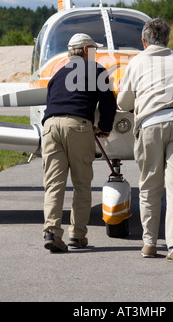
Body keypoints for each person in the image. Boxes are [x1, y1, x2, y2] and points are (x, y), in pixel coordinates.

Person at [117, 18, 173, 263]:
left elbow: (123, 103)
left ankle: (149, 244)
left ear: (143, 41)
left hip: (150, 123)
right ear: (168, 40)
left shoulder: (136, 61)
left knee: (150, 186)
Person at [42, 33, 116, 252]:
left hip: (50, 127)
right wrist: (104, 126)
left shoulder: (58, 73)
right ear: (86, 51)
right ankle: (77, 235)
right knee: (82, 185)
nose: (96, 54)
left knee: (54, 185)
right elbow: (108, 103)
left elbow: (51, 101)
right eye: (94, 50)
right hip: (78, 127)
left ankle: (51, 232)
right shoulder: (97, 70)